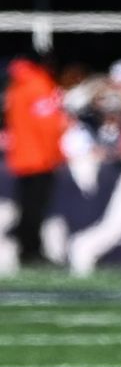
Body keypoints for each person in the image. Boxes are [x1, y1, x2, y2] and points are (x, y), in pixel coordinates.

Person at [4, 52, 67, 268]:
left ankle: (27, 249)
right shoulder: (39, 85)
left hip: (21, 156)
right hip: (40, 157)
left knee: (27, 206)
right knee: (35, 208)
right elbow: (47, 125)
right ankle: (32, 251)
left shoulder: (16, 86)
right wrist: (55, 154)